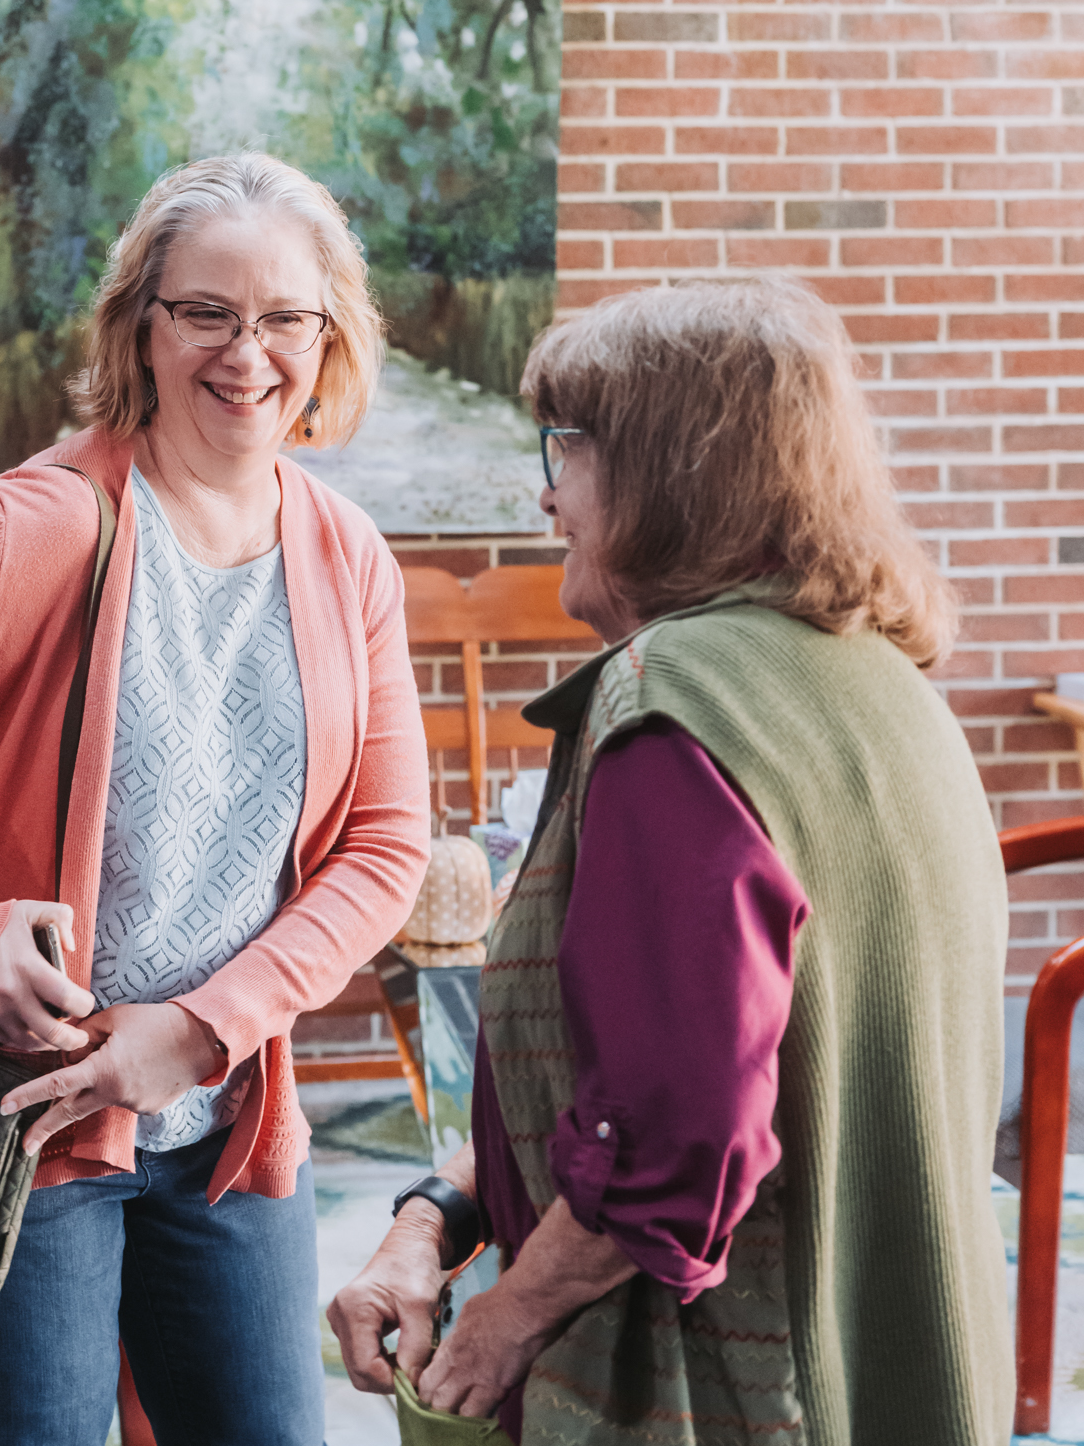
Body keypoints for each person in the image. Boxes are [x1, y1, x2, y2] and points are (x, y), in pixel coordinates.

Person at [0, 151, 431, 1446]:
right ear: (142, 327)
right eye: (206, 312)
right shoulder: (40, 526)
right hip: (14, 1109)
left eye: (284, 316)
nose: (247, 353)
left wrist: (206, 1031)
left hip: (221, 1114)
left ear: (329, 336)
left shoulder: (346, 556)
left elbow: (385, 846)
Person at [330, 277, 1012, 1446]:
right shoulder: (886, 684)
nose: (548, 491)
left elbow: (671, 1135)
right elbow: (639, 1081)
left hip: (727, 1395)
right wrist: (433, 1214)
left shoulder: (670, 704)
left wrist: (503, 1316)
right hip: (907, 1376)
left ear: (670, 471)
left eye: (569, 447)